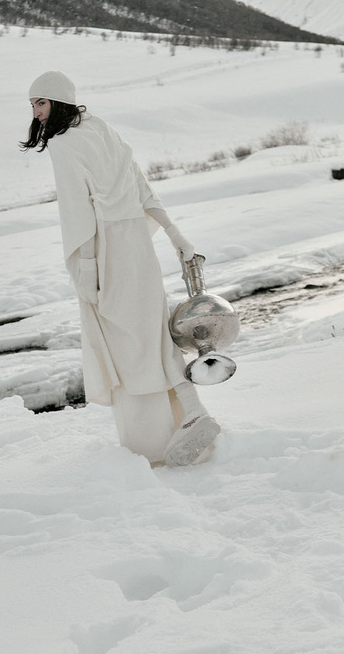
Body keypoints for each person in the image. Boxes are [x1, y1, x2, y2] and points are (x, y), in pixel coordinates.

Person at [21, 70, 221, 467]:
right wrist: (172, 232)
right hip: (138, 247)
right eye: (32, 106)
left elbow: (79, 216)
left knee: (124, 345)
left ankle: (150, 443)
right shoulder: (102, 129)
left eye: (40, 103)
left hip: (108, 250)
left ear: (58, 101)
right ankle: (192, 410)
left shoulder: (64, 145)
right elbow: (142, 185)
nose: (36, 113)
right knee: (151, 334)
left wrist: (88, 273)